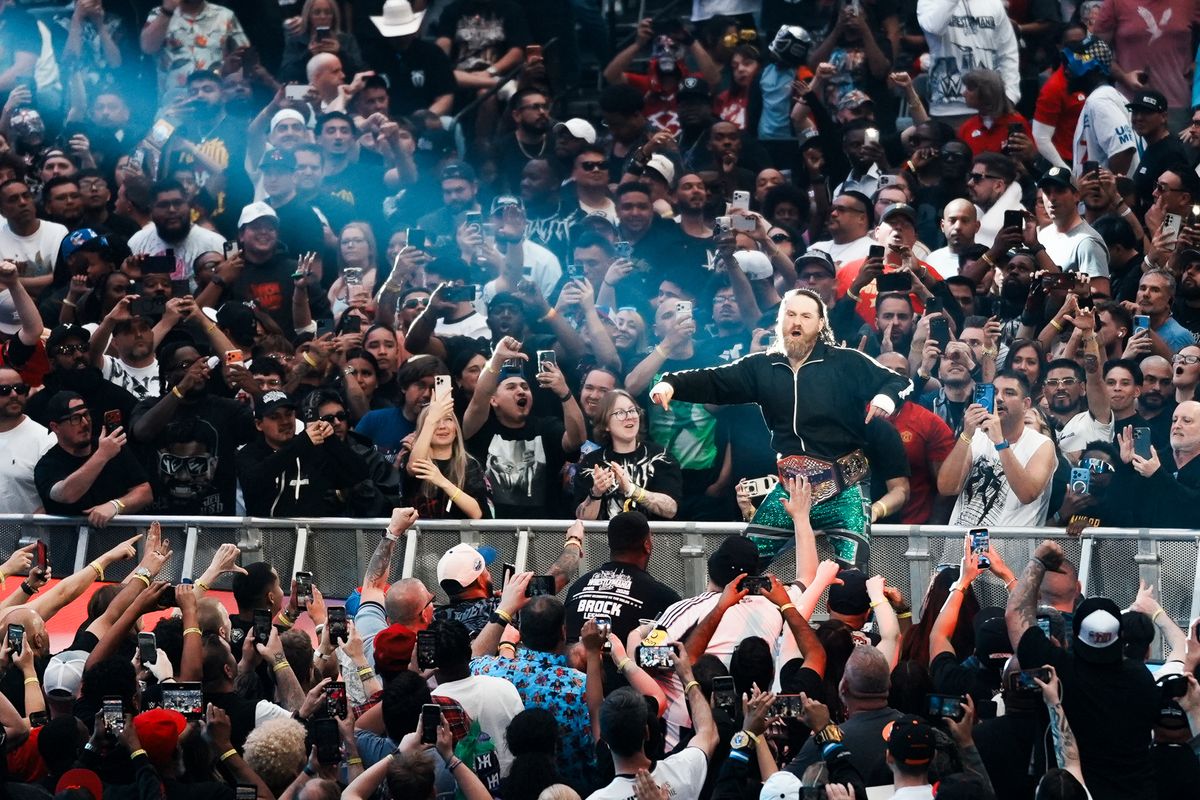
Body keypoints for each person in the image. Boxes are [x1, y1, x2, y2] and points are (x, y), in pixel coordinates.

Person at [650, 289, 911, 565]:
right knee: (740, 562)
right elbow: (716, 380)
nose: (797, 322)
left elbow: (899, 381)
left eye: (806, 316)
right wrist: (671, 383)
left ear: (820, 324)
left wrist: (885, 398)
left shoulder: (846, 361)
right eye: (790, 314)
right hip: (790, 490)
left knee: (852, 574)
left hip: (844, 491)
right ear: (780, 321)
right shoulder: (763, 366)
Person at [938, 370, 1056, 526]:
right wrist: (966, 434)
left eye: (1009, 393)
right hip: (962, 539)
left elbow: (1028, 494)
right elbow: (947, 488)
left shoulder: (1042, 444)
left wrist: (999, 442)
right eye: (994, 392)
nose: (999, 398)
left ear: (1026, 404)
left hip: (1009, 541)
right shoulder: (976, 436)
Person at [34, 391, 153, 526]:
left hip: (121, 537)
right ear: (55, 427)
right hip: (69, 538)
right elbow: (66, 494)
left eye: (86, 415)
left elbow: (145, 492)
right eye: (75, 418)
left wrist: (116, 505)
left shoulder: (114, 446)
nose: (85, 423)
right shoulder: (47, 465)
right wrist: (102, 455)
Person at [563, 511, 680, 643]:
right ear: (647, 545)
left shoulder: (577, 587)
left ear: (610, 544)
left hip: (567, 656)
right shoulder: (664, 598)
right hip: (623, 656)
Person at [574, 390, 681, 521]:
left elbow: (671, 509)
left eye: (632, 410)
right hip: (607, 534)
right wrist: (596, 492)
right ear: (606, 424)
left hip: (651, 534)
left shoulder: (660, 456)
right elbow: (582, 519)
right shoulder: (591, 463)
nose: (629, 416)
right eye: (620, 413)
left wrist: (631, 489)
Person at [0, 365, 56, 513]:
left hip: (28, 528)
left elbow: (59, 496)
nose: (14, 395)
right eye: (4, 390)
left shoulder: (45, 439)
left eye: (19, 389)